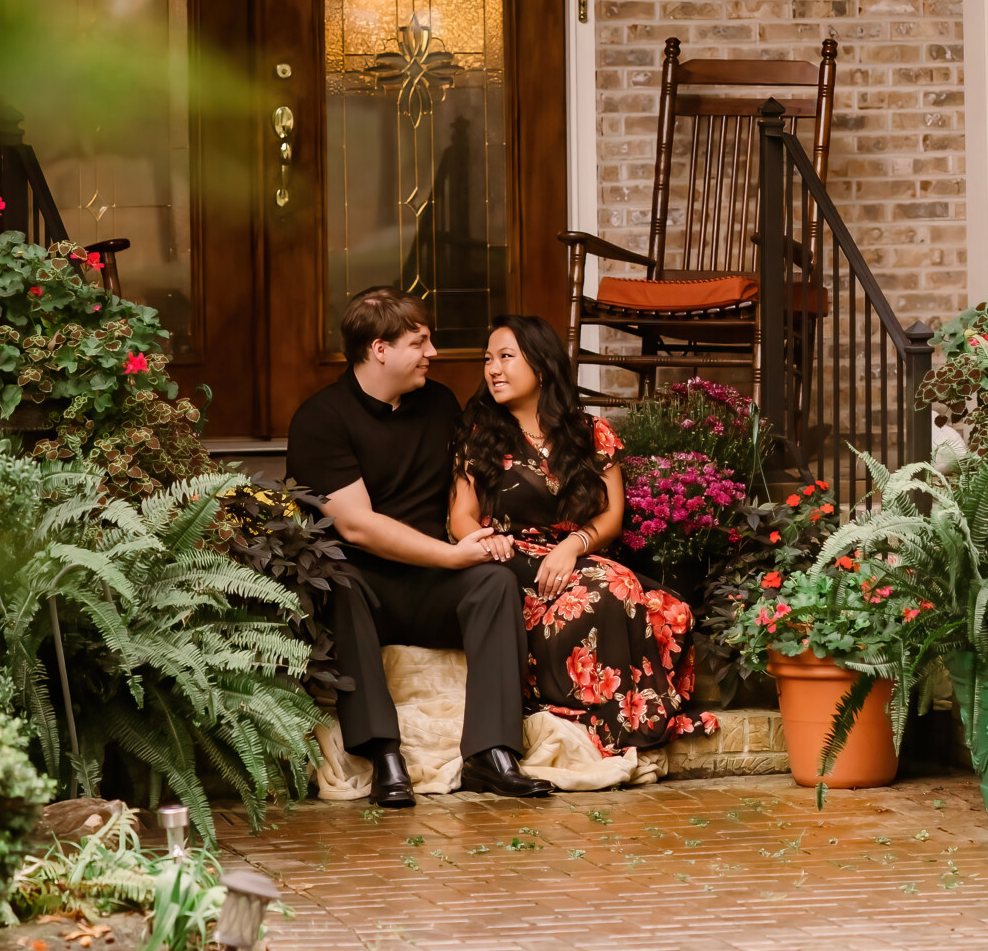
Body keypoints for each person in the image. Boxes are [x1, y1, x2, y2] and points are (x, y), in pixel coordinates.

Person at [286, 287, 553, 811]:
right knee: (339, 581)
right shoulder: (321, 418)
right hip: (369, 585)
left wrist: (478, 536)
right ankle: (384, 752)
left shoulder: (439, 403)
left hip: (432, 584)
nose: (432, 353)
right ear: (380, 349)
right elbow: (358, 526)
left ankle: (491, 753)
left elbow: (466, 485)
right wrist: (452, 555)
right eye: (420, 342)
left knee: (495, 583)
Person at [451, 314, 719, 759]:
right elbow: (460, 515)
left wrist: (573, 546)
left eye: (505, 357)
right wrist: (482, 542)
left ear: (541, 365)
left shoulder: (591, 432)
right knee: (614, 587)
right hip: (511, 563)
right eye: (487, 359)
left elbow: (612, 515)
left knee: (670, 612)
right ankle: (614, 721)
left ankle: (623, 709)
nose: (492, 369)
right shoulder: (479, 435)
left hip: (577, 556)